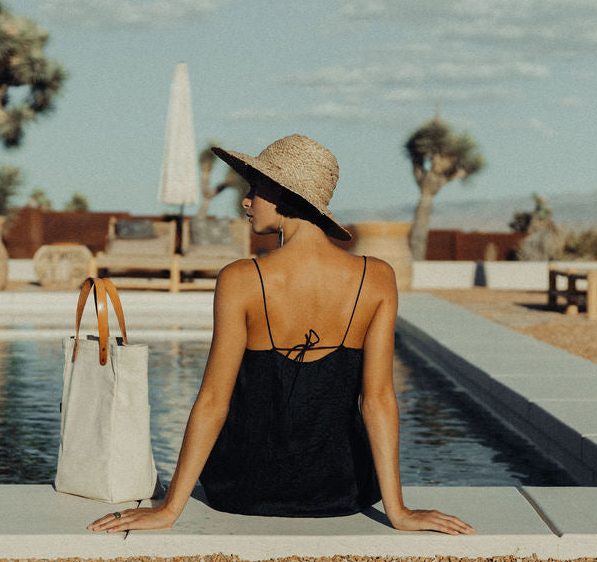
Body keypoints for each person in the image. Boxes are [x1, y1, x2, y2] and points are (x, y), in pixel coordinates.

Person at [89, 134, 475, 535]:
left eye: (255, 190)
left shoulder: (241, 279)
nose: (246, 201)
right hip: (341, 490)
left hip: (243, 488)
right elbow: (377, 399)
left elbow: (212, 401)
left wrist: (170, 509)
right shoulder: (376, 278)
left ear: (282, 195)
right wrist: (398, 510)